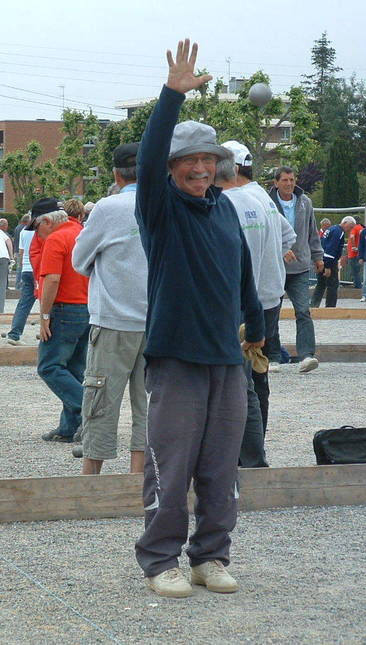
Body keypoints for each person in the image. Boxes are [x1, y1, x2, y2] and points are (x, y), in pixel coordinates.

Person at [134, 40, 264, 599]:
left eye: (209, 162)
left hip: (225, 356)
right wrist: (171, 96)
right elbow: (147, 155)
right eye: (190, 162)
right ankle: (161, 560)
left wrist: (258, 328)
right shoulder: (160, 209)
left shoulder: (225, 208)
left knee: (220, 468)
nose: (202, 169)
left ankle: (210, 556)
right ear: (172, 169)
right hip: (176, 355)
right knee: (170, 464)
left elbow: (242, 276)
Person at [71, 142, 148, 475]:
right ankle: (141, 479)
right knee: (150, 406)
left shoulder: (107, 207)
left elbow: (79, 261)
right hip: (158, 322)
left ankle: (91, 480)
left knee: (100, 401)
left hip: (113, 320)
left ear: (116, 174)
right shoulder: (166, 205)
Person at [217, 139, 294, 432]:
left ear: (232, 168)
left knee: (239, 377)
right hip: (270, 296)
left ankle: (246, 445)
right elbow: (289, 238)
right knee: (258, 370)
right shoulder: (263, 198)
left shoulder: (232, 202)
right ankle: (257, 436)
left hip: (243, 301)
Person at [32, 204, 89, 443]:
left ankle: (91, 411)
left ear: (47, 221)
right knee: (75, 370)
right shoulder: (84, 233)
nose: (37, 234)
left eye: (36, 227)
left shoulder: (56, 239)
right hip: (88, 308)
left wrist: (44, 316)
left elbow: (53, 279)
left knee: (49, 367)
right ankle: (69, 429)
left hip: (64, 308)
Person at [268, 166, 323, 373]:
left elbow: (312, 231)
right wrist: (280, 249)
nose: (289, 184)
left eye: (291, 179)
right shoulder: (266, 203)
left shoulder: (305, 202)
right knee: (272, 312)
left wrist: (318, 256)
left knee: (303, 311)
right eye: (284, 180)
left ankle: (306, 355)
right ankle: (273, 357)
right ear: (276, 183)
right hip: (274, 265)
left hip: (300, 266)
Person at [7, 206, 42, 345]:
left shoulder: (23, 232)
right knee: (47, 303)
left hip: (27, 269)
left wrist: (21, 268)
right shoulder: (42, 231)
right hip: (38, 269)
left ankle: (14, 334)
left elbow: (21, 252)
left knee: (24, 303)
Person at [311, 217, 354, 308]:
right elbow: (331, 249)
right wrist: (328, 266)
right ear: (345, 222)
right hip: (328, 262)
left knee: (321, 284)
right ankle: (330, 307)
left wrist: (317, 261)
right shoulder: (338, 232)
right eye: (350, 227)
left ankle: (313, 305)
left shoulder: (331, 229)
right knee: (333, 285)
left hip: (321, 259)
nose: (350, 229)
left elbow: (322, 244)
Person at [346, 216, 363, 290]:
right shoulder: (362, 228)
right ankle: (358, 284)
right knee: (357, 270)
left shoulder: (354, 228)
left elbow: (352, 237)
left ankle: (357, 286)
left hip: (353, 253)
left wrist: (353, 246)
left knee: (354, 271)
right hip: (359, 252)